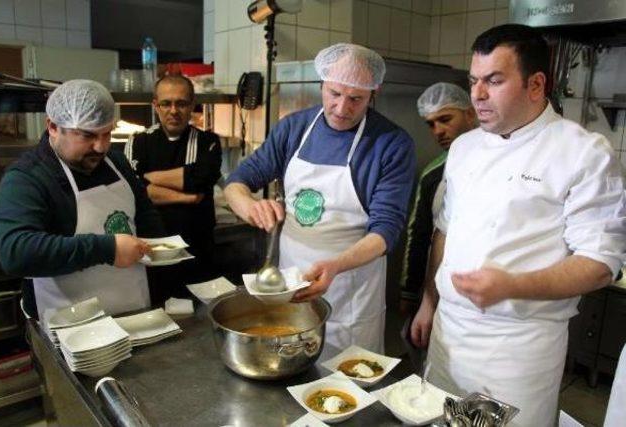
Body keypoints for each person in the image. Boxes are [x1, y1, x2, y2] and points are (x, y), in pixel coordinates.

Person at [409, 24, 626, 425]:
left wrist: (511, 285)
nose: (477, 94)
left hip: (516, 350)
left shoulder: (582, 153)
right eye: (474, 80)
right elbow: (446, 230)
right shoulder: (465, 147)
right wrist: (429, 301)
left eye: (494, 80)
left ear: (536, 84)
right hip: (448, 336)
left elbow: (599, 263)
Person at [224, 43, 416, 353]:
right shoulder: (294, 128)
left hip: (351, 290)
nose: (342, 109)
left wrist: (336, 266)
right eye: (334, 94)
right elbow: (237, 182)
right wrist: (249, 206)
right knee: (292, 365)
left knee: (347, 384)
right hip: (291, 283)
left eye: (356, 99)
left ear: (373, 92)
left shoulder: (391, 144)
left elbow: (387, 231)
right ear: (322, 84)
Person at [0, 80, 166, 321]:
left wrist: (161, 248)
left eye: (107, 133)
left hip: (134, 313)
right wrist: (107, 249)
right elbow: (17, 252)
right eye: (87, 136)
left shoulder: (117, 163)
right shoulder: (28, 177)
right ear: (53, 126)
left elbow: (145, 216)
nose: (101, 146)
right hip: (70, 328)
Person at [124, 75, 222, 306]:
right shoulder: (138, 142)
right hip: (152, 255)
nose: (174, 110)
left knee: (202, 323)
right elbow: (135, 190)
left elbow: (201, 179)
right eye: (166, 103)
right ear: (155, 105)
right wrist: (187, 197)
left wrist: (149, 179)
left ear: (192, 105)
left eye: (182, 103)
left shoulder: (208, 141)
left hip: (198, 253)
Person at [399, 83, 476, 314]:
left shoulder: (500, 162)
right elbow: (419, 234)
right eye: (431, 124)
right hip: (438, 286)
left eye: (445, 119)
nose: (438, 131)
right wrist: (410, 292)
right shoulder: (433, 174)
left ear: (470, 114)